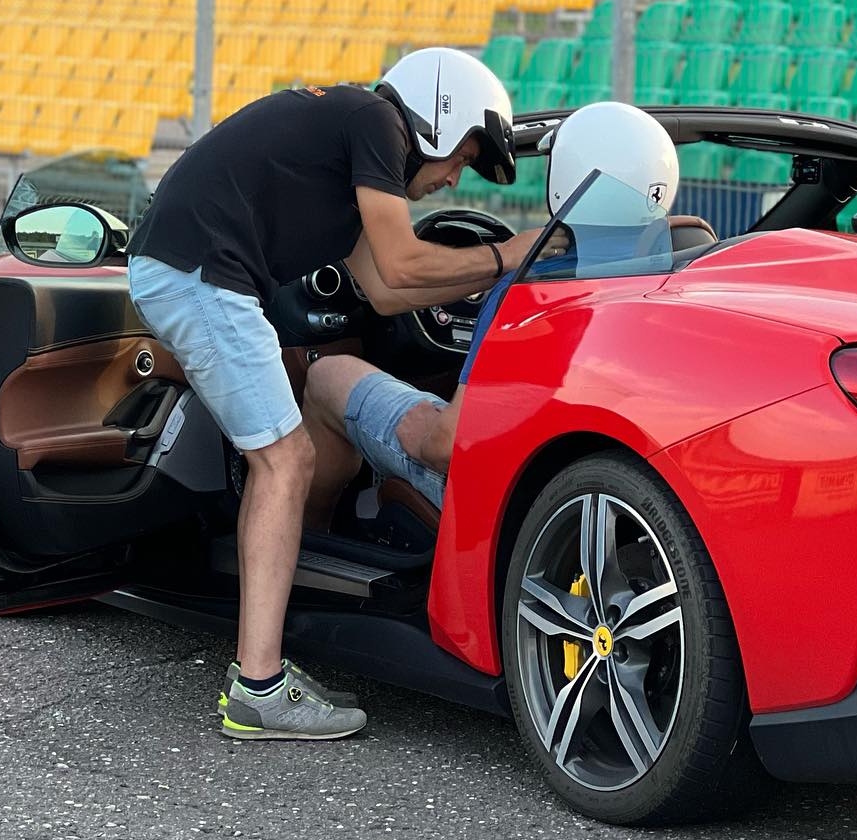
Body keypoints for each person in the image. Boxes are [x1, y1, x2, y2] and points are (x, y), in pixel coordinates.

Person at [125, 47, 544, 741]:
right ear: (437, 119)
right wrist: (512, 254)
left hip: (188, 268)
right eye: (463, 156)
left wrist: (501, 283)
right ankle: (257, 688)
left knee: (281, 457)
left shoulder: (351, 148)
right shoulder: (375, 121)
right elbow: (408, 261)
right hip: (201, 272)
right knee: (286, 460)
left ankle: (260, 676)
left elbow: (385, 288)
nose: (455, 177)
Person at [302, 101, 681, 517]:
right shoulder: (676, 272)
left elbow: (449, 447)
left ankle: (313, 542)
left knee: (327, 374)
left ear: (566, 178)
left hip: (500, 493)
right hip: (612, 476)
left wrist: (421, 425)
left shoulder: (533, 288)